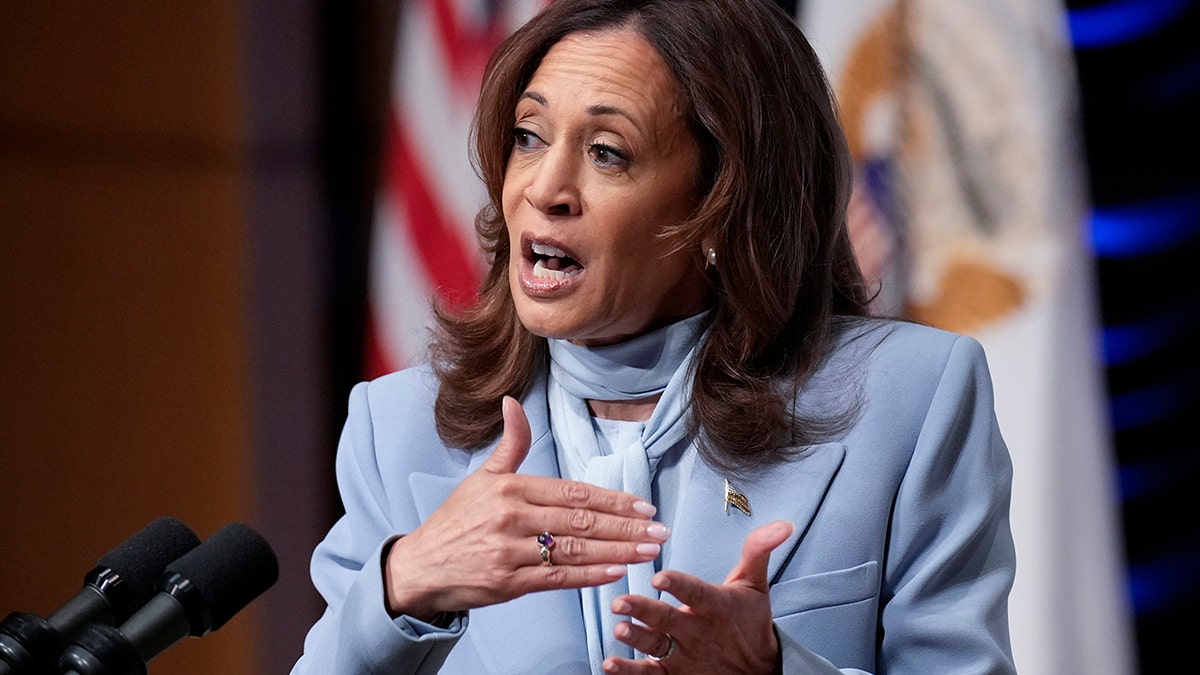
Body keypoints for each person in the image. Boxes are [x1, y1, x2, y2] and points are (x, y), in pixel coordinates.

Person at [291, 0, 1016, 672]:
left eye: (607, 151)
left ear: (720, 206)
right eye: (528, 136)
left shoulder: (909, 400)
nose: (545, 188)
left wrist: (773, 667)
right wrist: (408, 580)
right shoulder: (401, 429)